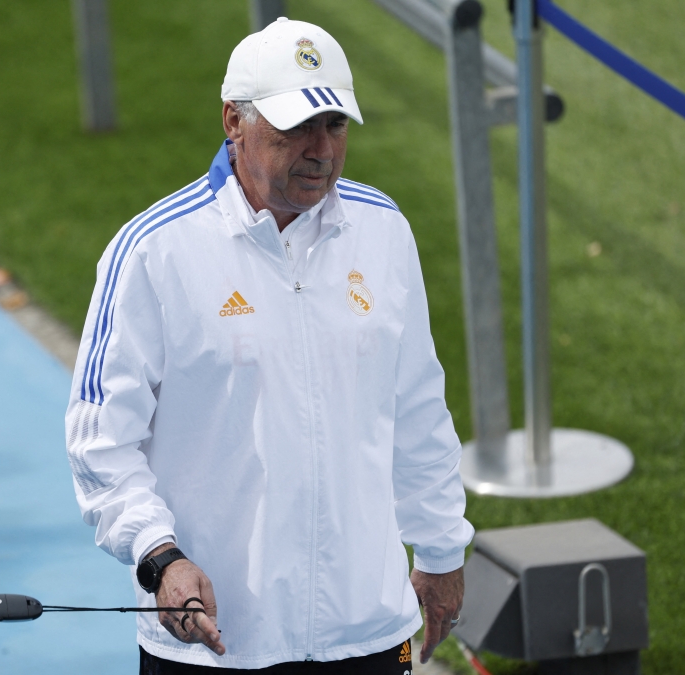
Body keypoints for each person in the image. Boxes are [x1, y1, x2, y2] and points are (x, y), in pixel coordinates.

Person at [65, 17, 474, 674]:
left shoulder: (384, 230)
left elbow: (419, 410)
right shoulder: (152, 252)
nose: (321, 150)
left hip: (365, 630)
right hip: (218, 642)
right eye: (295, 129)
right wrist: (159, 556)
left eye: (335, 126)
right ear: (233, 120)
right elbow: (99, 441)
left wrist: (441, 550)